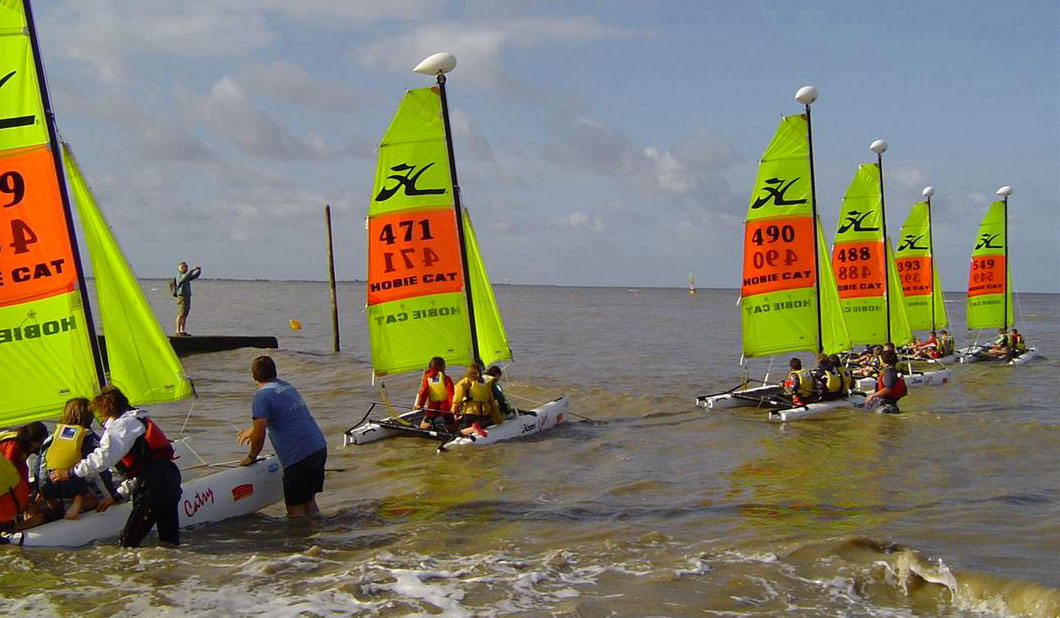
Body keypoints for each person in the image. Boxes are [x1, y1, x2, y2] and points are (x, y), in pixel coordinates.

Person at [50, 386, 181, 547]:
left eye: (100, 412)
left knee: (128, 544)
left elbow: (103, 458)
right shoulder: (138, 419)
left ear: (108, 409)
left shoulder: (123, 425)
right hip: (169, 480)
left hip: (153, 487)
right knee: (169, 541)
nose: (100, 417)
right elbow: (143, 469)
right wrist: (118, 495)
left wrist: (71, 473)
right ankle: (170, 562)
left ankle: (130, 564)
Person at [238, 355, 327, 518]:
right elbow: (284, 415)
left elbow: (260, 434)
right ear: (274, 372)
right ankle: (319, 529)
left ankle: (302, 534)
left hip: (299, 457)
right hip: (318, 449)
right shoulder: (287, 386)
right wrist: (251, 431)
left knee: (295, 511)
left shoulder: (261, 396)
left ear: (254, 377)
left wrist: (251, 457)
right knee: (309, 500)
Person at [38, 398, 118, 520]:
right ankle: (77, 503)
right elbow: (99, 469)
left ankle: (60, 508)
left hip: (49, 489)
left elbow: (39, 469)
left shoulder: (51, 439)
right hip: (74, 488)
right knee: (93, 494)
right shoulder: (88, 437)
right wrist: (112, 496)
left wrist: (41, 492)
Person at [0, 421, 48, 532]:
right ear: (32, 441)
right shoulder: (13, 446)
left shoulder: (17, 443)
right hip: (11, 493)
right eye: (40, 442)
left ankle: (19, 521)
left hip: (11, 494)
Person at [451, 364, 502, 437]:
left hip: (470, 413)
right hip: (483, 414)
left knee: (457, 432)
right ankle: (479, 426)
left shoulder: (464, 382)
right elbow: (492, 403)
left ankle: (473, 428)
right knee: (486, 421)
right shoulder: (486, 384)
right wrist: (498, 420)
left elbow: (458, 396)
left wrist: (454, 407)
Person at [414, 357, 455, 432]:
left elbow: (423, 392)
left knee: (422, 426)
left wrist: (420, 405)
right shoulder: (446, 379)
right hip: (445, 409)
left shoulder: (427, 378)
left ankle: (427, 429)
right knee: (452, 427)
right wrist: (454, 407)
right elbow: (451, 394)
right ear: (442, 366)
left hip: (432, 409)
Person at [174, 261, 202, 337]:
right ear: (181, 268)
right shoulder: (179, 276)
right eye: (185, 267)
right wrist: (192, 270)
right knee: (181, 313)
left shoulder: (186, 276)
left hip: (187, 296)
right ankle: (177, 330)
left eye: (187, 267)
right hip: (182, 296)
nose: (186, 268)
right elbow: (184, 278)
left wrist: (198, 271)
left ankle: (182, 330)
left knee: (185, 314)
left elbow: (193, 276)